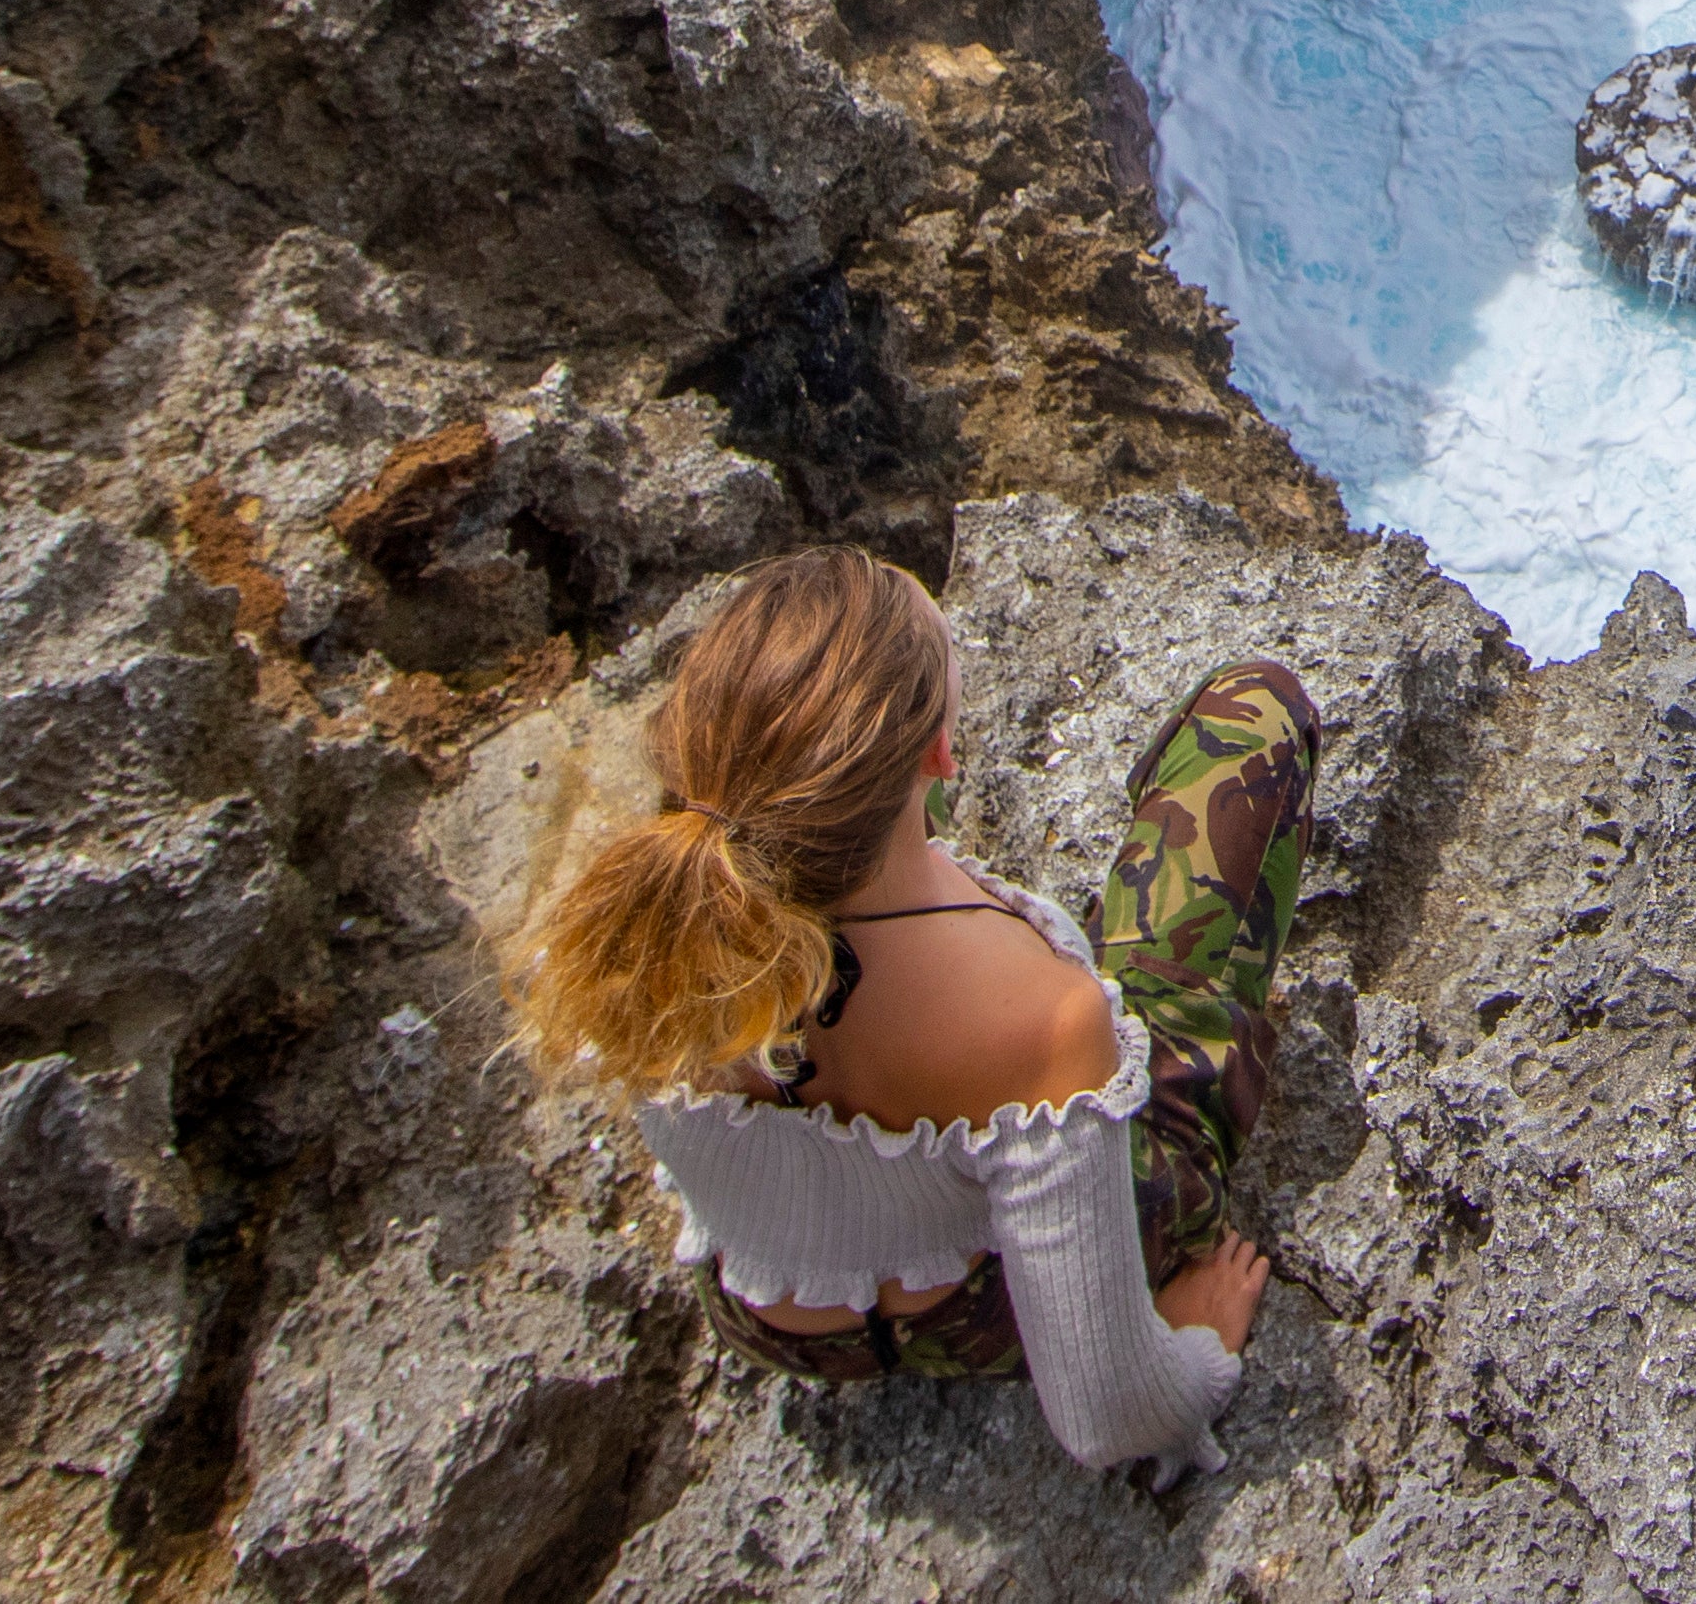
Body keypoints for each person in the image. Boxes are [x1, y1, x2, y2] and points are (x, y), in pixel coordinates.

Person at [513, 546, 1319, 1479]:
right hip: (981, 1313)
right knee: (1255, 711)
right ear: (940, 755)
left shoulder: (650, 927)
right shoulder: (1044, 1020)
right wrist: (1190, 1352)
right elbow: (1105, 1419)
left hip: (772, 1319)